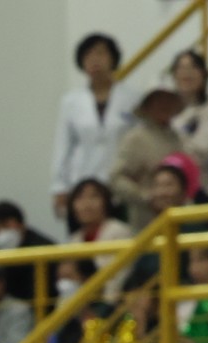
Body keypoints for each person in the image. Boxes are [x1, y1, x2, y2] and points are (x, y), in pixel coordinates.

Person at [53, 32, 128, 220]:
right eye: (88, 55)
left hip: (121, 185)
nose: (94, 60)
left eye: (101, 53)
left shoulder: (132, 98)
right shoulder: (71, 101)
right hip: (81, 186)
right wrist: (59, 186)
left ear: (113, 58)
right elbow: (63, 146)